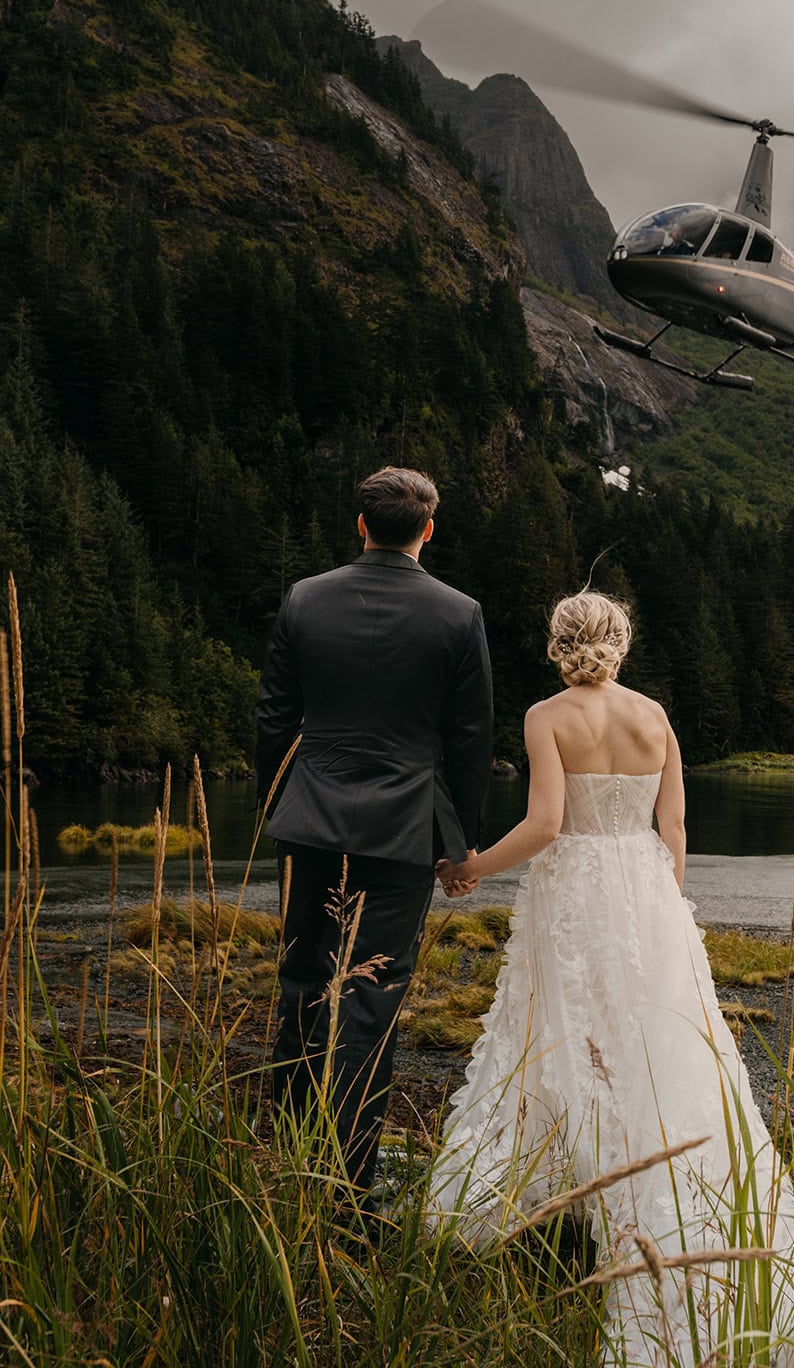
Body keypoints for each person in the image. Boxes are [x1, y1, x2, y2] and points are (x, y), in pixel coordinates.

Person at [430, 591, 794, 1367]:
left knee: (561, 1033)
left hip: (576, 891)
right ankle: (666, 1198)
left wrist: (470, 868)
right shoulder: (654, 715)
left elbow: (547, 824)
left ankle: (550, 1198)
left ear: (558, 644)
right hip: (648, 890)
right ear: (619, 643)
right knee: (659, 1050)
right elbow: (674, 826)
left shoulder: (546, 717)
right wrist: (669, 904)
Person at [256, 465, 493, 1198]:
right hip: (403, 827)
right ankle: (348, 1184)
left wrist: (276, 804)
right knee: (372, 996)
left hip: (309, 817)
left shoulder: (305, 598)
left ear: (360, 525)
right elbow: (469, 737)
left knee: (301, 985)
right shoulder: (458, 613)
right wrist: (462, 843)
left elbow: (274, 716)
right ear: (428, 529)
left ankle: (290, 1162)